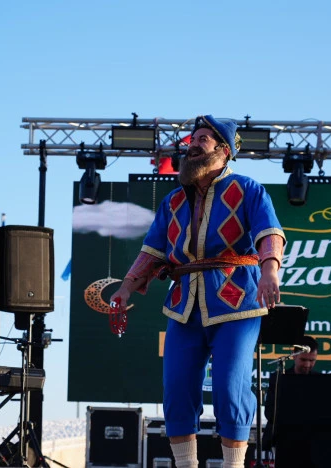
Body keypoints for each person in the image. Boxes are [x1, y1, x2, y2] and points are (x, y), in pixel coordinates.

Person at [110, 115, 286, 468]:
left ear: (224, 150)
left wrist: (270, 271)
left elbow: (269, 232)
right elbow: (152, 250)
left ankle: (233, 465)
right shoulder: (173, 201)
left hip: (236, 302)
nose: (193, 144)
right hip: (183, 305)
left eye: (203, 138)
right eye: (193, 138)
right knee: (176, 389)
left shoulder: (248, 189)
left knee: (229, 387)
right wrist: (125, 288)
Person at [262, 335, 319, 465]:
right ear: (294, 355)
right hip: (284, 439)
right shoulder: (279, 379)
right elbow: (270, 412)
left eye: (312, 360)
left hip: (311, 441)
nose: (307, 365)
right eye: (303, 359)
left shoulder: (319, 380)